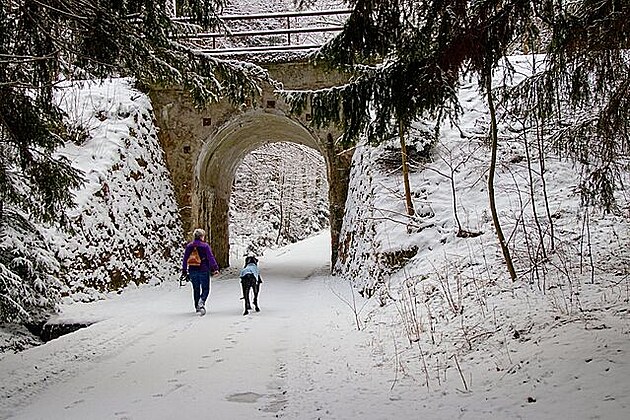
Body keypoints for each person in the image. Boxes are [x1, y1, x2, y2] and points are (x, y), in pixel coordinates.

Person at [182, 228, 219, 315]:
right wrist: (215, 268)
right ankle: (201, 302)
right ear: (202, 236)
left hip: (192, 269)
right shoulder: (205, 246)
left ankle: (197, 307)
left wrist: (184, 269)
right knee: (205, 288)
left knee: (196, 289)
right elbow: (210, 257)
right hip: (203, 269)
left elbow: (185, 259)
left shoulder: (189, 246)